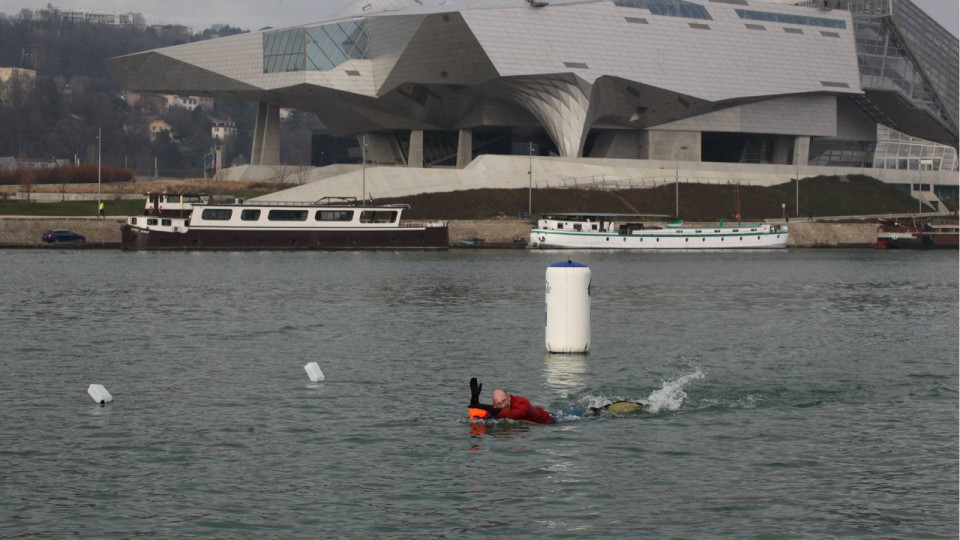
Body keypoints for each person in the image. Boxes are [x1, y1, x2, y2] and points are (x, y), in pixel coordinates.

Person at [469, 378, 553, 424]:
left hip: (549, 420)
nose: (503, 406)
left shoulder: (523, 403)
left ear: (508, 397)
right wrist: (475, 400)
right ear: (495, 404)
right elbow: (478, 416)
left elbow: (512, 415)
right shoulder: (496, 408)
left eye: (504, 401)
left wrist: (487, 408)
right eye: (499, 404)